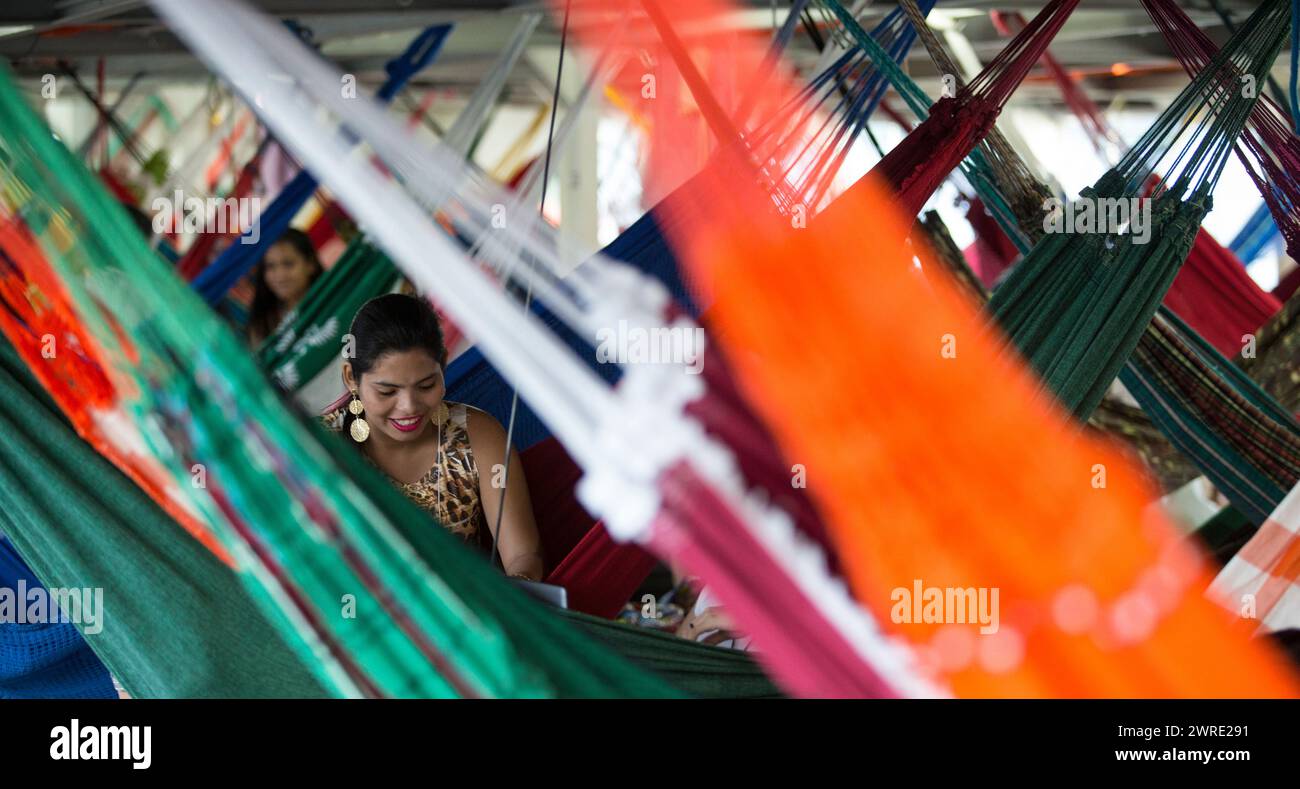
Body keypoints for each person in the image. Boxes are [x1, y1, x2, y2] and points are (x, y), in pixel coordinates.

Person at [322, 293, 544, 581]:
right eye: (387, 391)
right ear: (351, 377)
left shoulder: (476, 436)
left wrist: (520, 587)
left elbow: (523, 554)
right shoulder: (317, 445)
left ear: (444, 365)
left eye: (426, 385)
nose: (410, 406)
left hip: (460, 617)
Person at [246, 228, 323, 346]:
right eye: (270, 266)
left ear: (310, 264)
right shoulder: (262, 326)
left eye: (288, 264)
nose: (280, 276)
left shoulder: (334, 299)